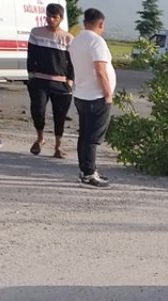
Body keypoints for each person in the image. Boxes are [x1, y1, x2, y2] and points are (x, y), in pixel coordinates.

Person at [68, 8, 115, 187]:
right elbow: (100, 70)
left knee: (85, 134)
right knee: (92, 137)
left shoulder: (77, 40)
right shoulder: (97, 42)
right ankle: (89, 173)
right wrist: (108, 93)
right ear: (101, 23)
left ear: (84, 22)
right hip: (96, 95)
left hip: (81, 93)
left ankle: (85, 169)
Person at [27, 2, 74, 158]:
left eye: (54, 16)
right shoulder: (36, 33)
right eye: (48, 16)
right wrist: (31, 74)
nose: (50, 19)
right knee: (38, 111)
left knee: (59, 115)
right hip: (39, 80)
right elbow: (31, 55)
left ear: (60, 18)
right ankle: (40, 138)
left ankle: (58, 146)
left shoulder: (67, 38)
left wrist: (70, 80)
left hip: (60, 82)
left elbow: (72, 61)